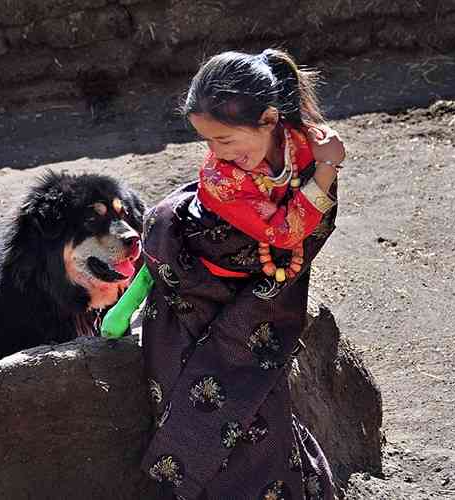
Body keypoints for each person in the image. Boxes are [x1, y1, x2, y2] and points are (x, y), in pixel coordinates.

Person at [104, 48, 342, 499]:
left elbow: (306, 228)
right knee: (199, 387)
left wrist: (323, 166)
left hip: (261, 288)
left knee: (260, 399)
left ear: (270, 119)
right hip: (193, 287)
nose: (216, 154)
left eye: (226, 140)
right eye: (208, 142)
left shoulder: (305, 143)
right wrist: (328, 169)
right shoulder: (222, 178)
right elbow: (285, 231)